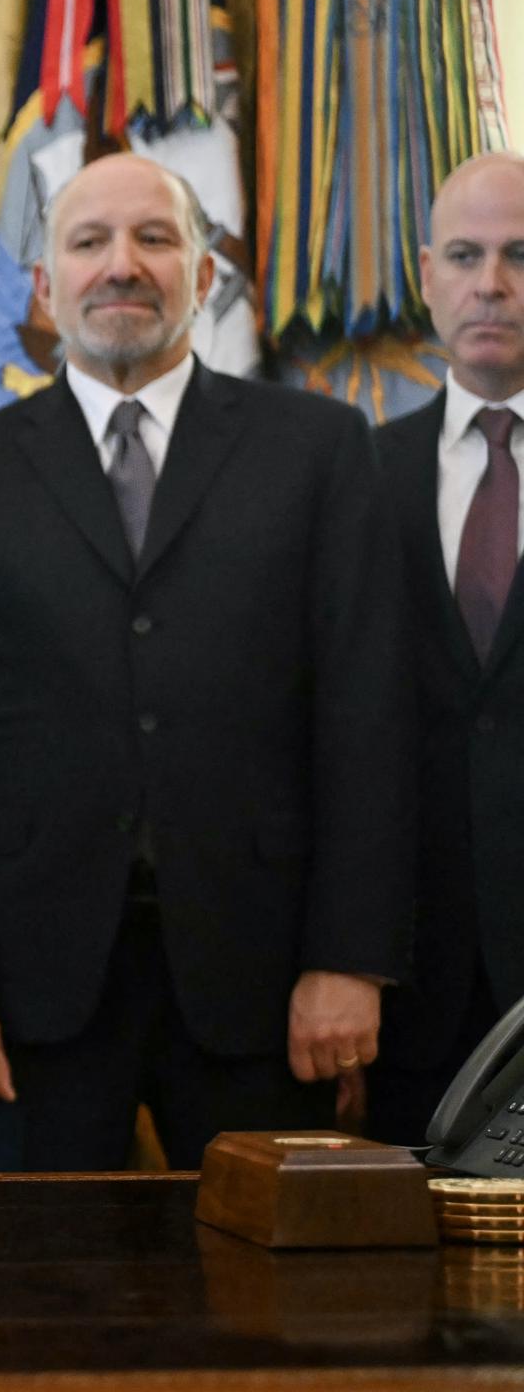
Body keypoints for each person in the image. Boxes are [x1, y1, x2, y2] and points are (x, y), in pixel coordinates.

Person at [0, 152, 412, 1171]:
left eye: (155, 239)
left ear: (205, 277)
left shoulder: (321, 450)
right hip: (25, 992)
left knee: (279, 1312)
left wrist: (348, 959)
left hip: (265, 983)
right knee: (25, 1309)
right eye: (88, 242)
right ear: (44, 287)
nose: (121, 265)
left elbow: (366, 721)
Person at [372, 152, 524, 1144]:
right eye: (465, 255)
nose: (492, 284)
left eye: (519, 255)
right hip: (403, 982)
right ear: (426, 273)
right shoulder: (353, 475)